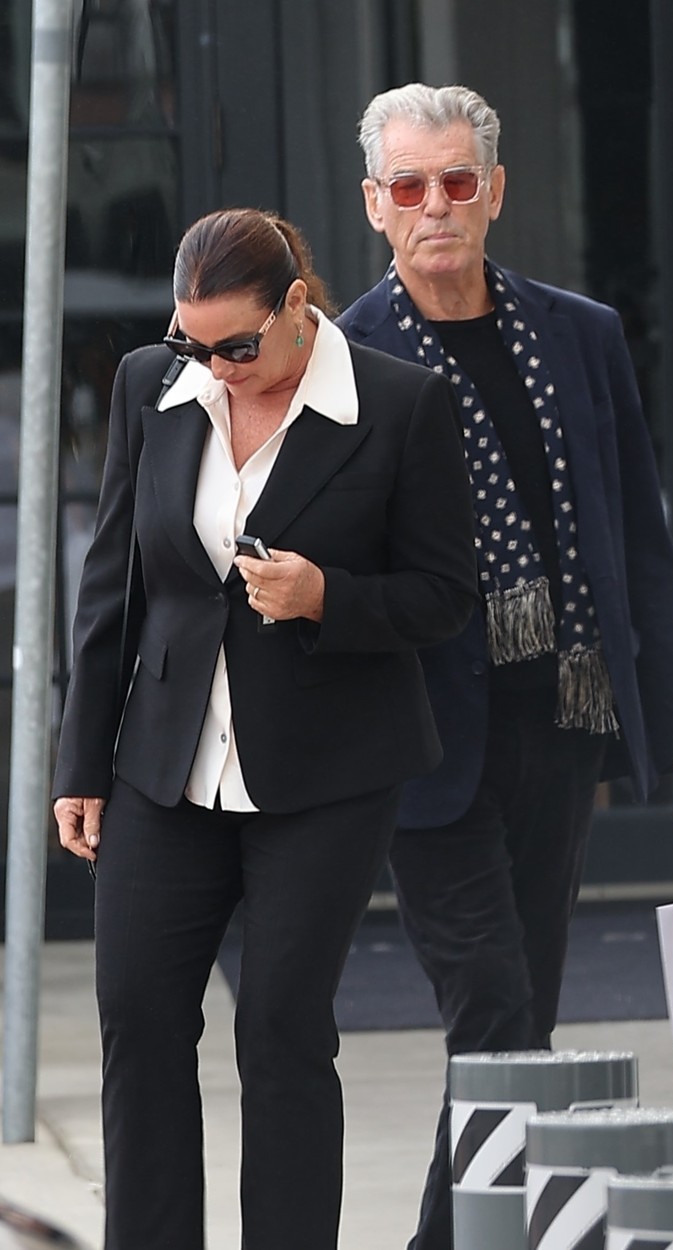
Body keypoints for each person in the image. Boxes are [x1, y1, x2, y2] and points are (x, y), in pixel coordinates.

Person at [337, 83, 673, 1250]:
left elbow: (639, 550)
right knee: (496, 1008)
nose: (435, 205)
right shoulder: (344, 356)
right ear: (374, 203)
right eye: (408, 185)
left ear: (495, 190)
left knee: (518, 1025)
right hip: (421, 740)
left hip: (560, 723)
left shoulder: (580, 333)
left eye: (456, 180)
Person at [52, 207, 478, 1250]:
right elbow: (113, 588)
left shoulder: (398, 402)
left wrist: (327, 594)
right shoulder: (153, 387)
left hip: (327, 773)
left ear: (295, 305)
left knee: (281, 1029)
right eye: (191, 342)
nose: (214, 367)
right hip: (165, 766)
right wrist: (81, 763)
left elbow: (444, 596)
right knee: (138, 1020)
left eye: (235, 346)